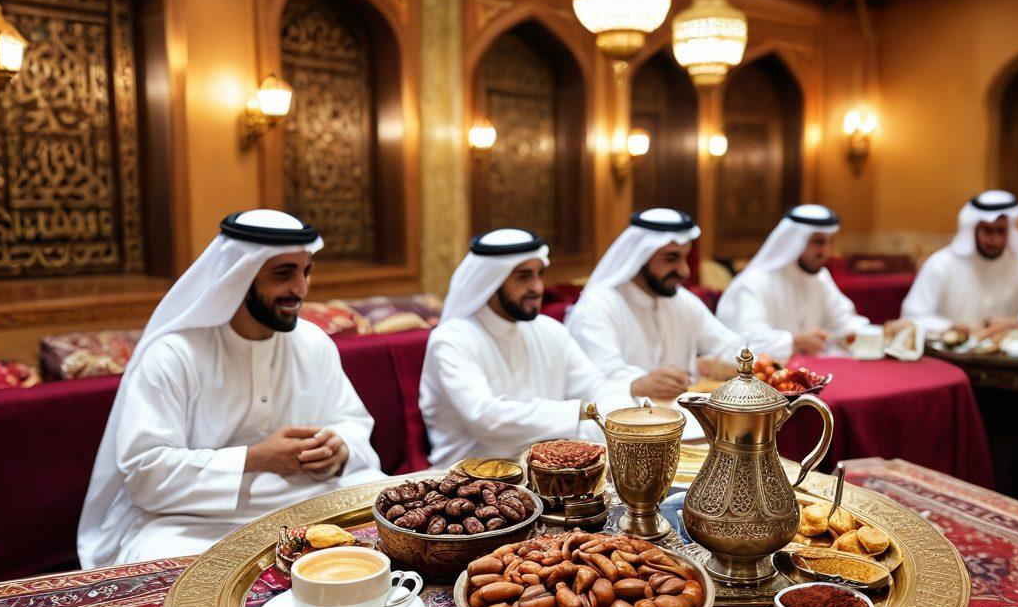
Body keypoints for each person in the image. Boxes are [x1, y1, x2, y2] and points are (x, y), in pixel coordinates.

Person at [77, 210, 385, 568]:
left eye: (306, 271)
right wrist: (255, 459)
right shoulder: (173, 355)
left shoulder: (313, 343)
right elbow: (145, 473)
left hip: (308, 499)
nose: (300, 289)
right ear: (238, 277)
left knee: (393, 516)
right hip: (199, 520)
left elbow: (353, 424)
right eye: (283, 274)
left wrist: (339, 448)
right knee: (159, 560)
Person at [420, 228, 632, 467]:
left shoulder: (550, 331)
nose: (538, 288)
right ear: (490, 281)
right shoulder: (451, 339)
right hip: (467, 483)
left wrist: (626, 412)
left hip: (550, 472)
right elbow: (486, 418)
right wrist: (579, 413)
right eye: (524, 277)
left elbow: (597, 388)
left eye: (539, 274)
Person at [565, 208, 744, 399]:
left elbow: (727, 344)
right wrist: (641, 384)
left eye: (685, 257)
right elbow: (599, 381)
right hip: (620, 423)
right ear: (639, 257)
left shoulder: (681, 301)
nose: (684, 271)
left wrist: (753, 364)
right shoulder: (596, 308)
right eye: (671, 258)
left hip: (680, 418)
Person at [716, 204, 869, 362]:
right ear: (794, 242)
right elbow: (744, 341)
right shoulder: (752, 283)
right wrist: (793, 342)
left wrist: (871, 333)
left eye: (830, 242)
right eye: (818, 242)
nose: (826, 252)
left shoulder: (820, 277)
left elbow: (843, 321)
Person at [901, 190, 1018, 338]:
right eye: (988, 231)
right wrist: (954, 328)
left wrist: (1013, 322)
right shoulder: (941, 264)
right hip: (951, 357)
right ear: (974, 230)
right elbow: (912, 316)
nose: (995, 239)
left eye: (1000, 231)